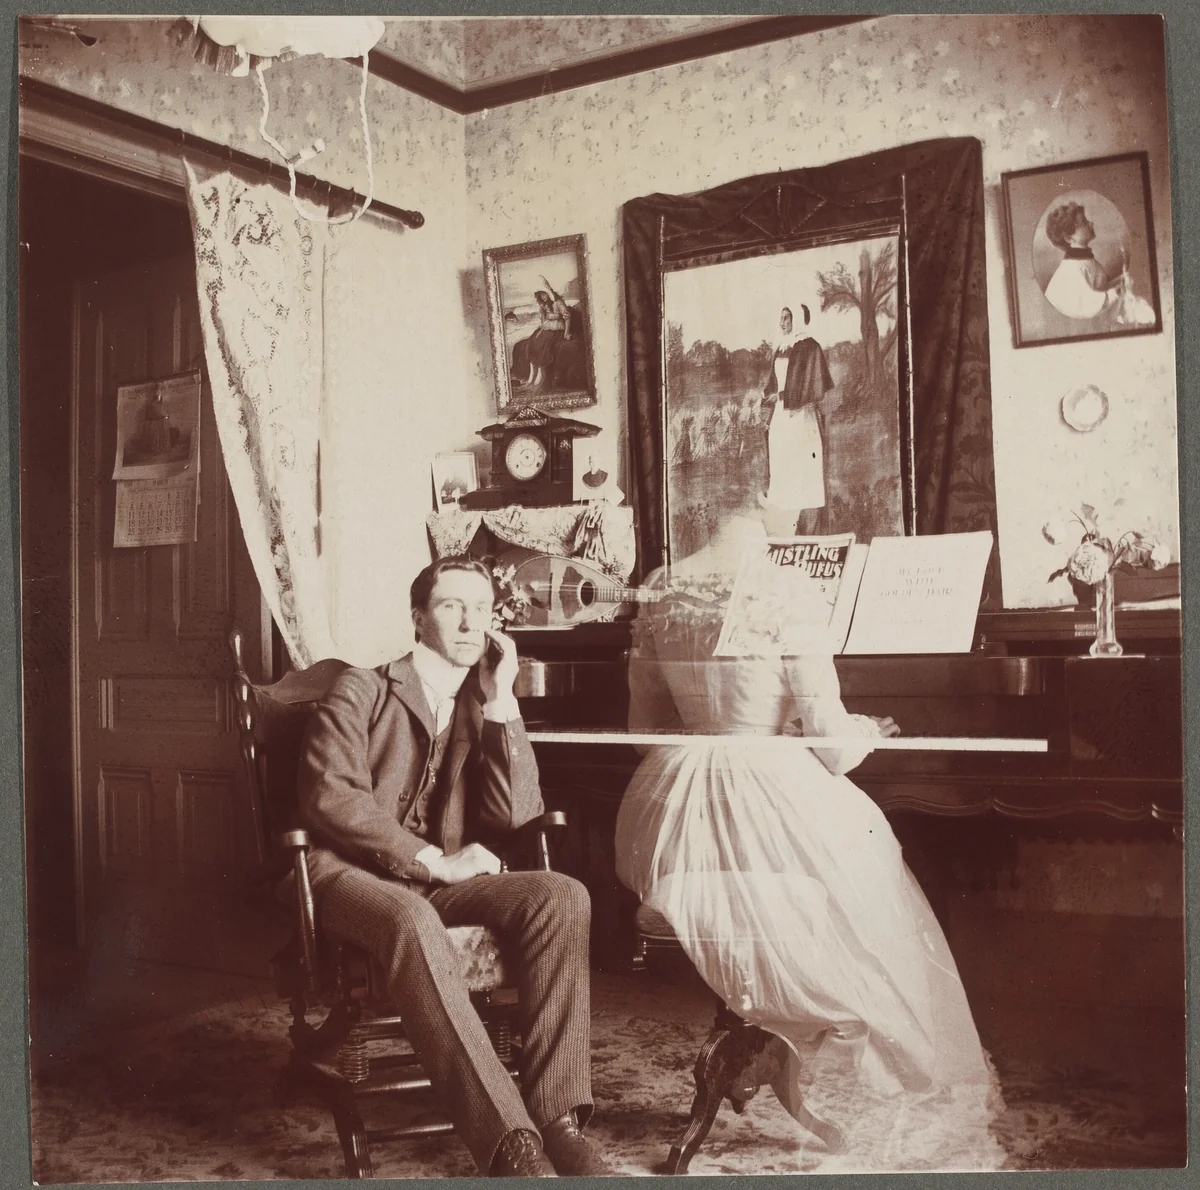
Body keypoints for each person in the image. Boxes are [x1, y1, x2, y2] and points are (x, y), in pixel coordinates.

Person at [613, 516, 1004, 1171]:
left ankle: (754, 1039)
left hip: (675, 806)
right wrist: (864, 729)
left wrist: (718, 740)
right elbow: (833, 744)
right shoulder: (786, 588)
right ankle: (791, 1044)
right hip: (771, 786)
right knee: (867, 877)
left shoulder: (662, 587)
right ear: (769, 511)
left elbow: (644, 728)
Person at [297, 555, 611, 1178]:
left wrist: (502, 704)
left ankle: (558, 1118)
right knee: (410, 913)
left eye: (480, 607)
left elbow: (517, 813)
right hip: (346, 878)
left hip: (428, 886)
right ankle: (511, 1145)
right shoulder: (362, 686)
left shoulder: (478, 700)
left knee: (563, 894)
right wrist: (434, 862)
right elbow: (331, 795)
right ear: (418, 617)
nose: (469, 621)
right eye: (450, 605)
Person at [761, 305, 833, 533]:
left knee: (803, 473)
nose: (782, 323)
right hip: (781, 420)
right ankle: (787, 530)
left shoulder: (810, 348)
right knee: (783, 473)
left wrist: (781, 396)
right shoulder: (782, 348)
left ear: (798, 319)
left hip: (801, 419)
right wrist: (763, 398)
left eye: (787, 318)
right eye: (780, 318)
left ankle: (809, 532)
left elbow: (813, 387)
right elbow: (774, 382)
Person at [1042, 201, 1126, 321]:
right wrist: (1116, 289)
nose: (1090, 224)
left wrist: (1121, 279)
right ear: (1068, 238)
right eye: (1084, 223)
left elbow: (1100, 287)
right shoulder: (1072, 269)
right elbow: (1089, 304)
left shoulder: (1087, 260)